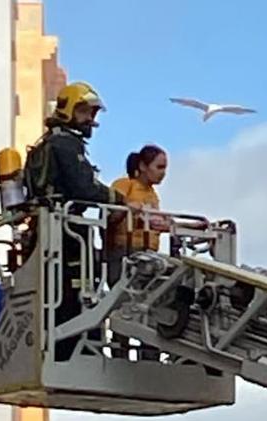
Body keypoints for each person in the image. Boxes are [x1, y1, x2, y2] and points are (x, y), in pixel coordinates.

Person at [23, 81, 126, 361]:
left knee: (58, 287)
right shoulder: (66, 144)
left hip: (47, 230)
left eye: (93, 114)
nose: (90, 120)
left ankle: (64, 345)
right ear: (68, 110)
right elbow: (84, 188)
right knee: (78, 287)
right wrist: (119, 200)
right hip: (65, 232)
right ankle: (78, 348)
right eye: (84, 112)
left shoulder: (44, 145)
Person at [105, 145, 170, 359]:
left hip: (149, 255)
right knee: (123, 305)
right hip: (124, 252)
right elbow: (109, 217)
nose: (163, 172)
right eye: (159, 167)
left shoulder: (152, 194)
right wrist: (127, 210)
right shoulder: (124, 185)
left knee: (150, 306)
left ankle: (150, 357)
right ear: (143, 166)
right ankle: (120, 355)